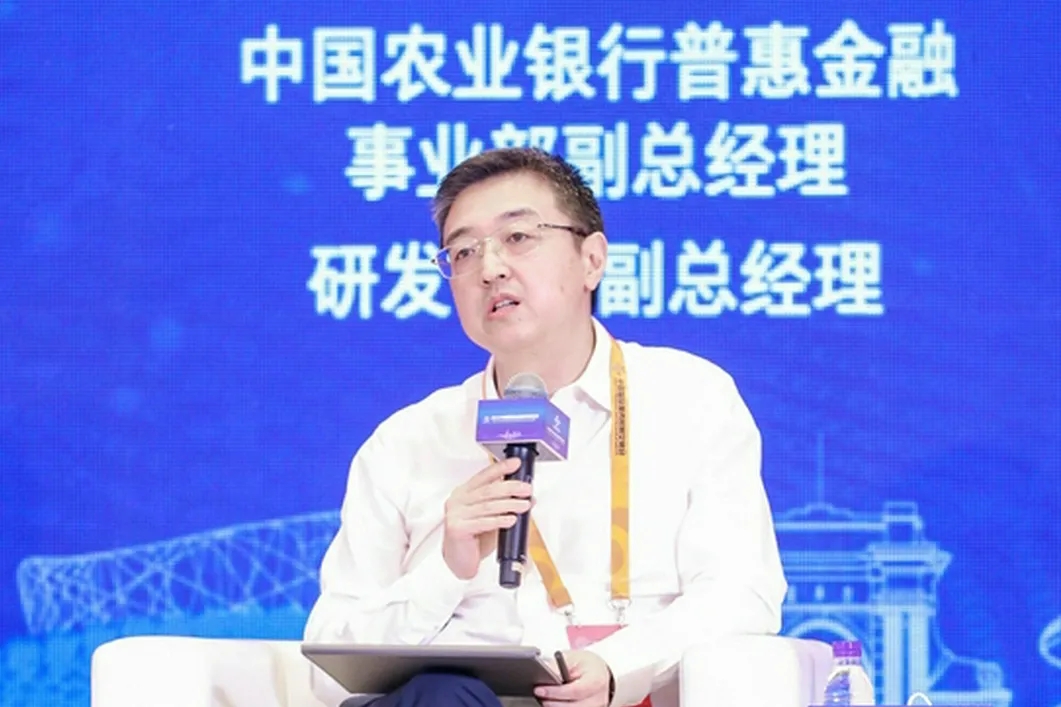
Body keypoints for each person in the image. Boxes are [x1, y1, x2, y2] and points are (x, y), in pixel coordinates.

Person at [304, 147, 787, 707]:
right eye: (464, 252)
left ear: (592, 260)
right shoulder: (406, 443)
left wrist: (617, 665)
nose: (490, 268)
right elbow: (327, 669)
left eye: (518, 237)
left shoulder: (689, 398)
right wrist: (447, 571)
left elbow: (741, 594)